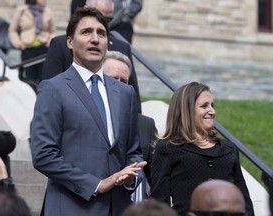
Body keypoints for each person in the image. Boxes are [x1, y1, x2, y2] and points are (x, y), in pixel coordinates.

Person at [30, 7, 146, 216]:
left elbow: (133, 151)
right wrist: (97, 184)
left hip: (118, 208)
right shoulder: (53, 89)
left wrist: (130, 177)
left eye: (101, 33)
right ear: (70, 42)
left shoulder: (125, 92)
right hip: (71, 207)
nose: (95, 39)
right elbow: (44, 155)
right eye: (86, 32)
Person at [150, 82, 254, 216]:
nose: (212, 111)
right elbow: (159, 203)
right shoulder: (168, 148)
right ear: (186, 111)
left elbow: (244, 200)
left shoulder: (229, 149)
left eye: (212, 105)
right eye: (204, 106)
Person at [41, 0, 142, 113]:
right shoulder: (60, 44)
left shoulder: (122, 47)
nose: (104, 22)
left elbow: (134, 98)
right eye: (98, 15)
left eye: (108, 20)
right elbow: (48, 92)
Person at [103, 51, 158, 201]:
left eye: (124, 81)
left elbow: (154, 177)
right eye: (113, 79)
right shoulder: (81, 115)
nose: (119, 86)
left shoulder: (146, 125)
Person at [9, 0, 54, 87]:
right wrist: (18, 43)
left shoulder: (47, 11)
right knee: (29, 79)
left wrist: (49, 41)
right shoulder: (21, 10)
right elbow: (12, 30)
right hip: (27, 50)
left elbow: (52, 31)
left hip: (43, 49)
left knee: (44, 79)